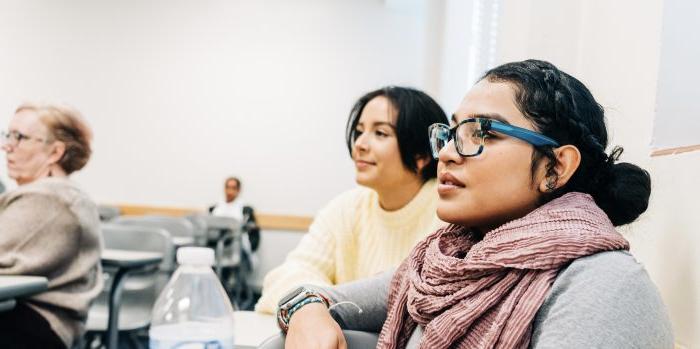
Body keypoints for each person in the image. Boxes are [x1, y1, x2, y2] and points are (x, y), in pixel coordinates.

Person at [279, 60, 674, 348]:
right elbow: (317, 296)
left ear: (556, 166)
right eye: (451, 133)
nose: (447, 153)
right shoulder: (448, 263)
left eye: (481, 131)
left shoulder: (604, 286)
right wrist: (307, 310)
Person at [255, 86, 449, 314]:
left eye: (381, 133)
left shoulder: (448, 209)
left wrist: (324, 302)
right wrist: (311, 308)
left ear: (422, 155)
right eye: (359, 131)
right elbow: (289, 274)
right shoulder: (346, 208)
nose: (360, 144)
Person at [0, 103, 103, 349]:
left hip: (33, 323)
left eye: (20, 137)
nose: (7, 145)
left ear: (55, 152)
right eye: (7, 135)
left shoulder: (54, 198)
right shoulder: (44, 194)